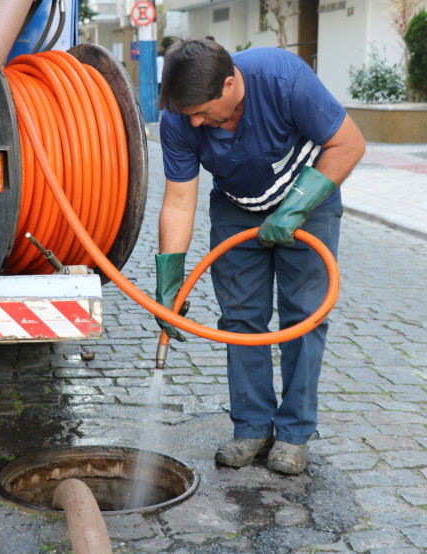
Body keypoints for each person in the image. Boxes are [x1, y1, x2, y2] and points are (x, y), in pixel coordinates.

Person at [154, 38, 365, 475]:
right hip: (236, 207)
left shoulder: (282, 78)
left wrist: (295, 209)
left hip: (310, 198)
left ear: (230, 85)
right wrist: (168, 279)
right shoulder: (179, 117)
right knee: (239, 317)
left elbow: (349, 144)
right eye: (186, 112)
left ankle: (293, 434)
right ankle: (251, 427)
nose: (194, 121)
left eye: (202, 110)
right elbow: (177, 201)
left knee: (304, 316)